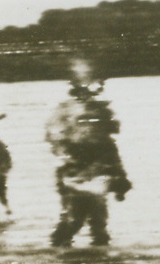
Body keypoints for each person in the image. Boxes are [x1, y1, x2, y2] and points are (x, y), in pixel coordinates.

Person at [45, 58, 132, 247]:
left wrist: (119, 175)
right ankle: (65, 252)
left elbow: (109, 144)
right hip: (75, 169)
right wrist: (66, 164)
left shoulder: (102, 111)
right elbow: (56, 141)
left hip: (97, 168)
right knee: (73, 220)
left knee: (98, 222)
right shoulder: (64, 111)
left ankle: (98, 263)